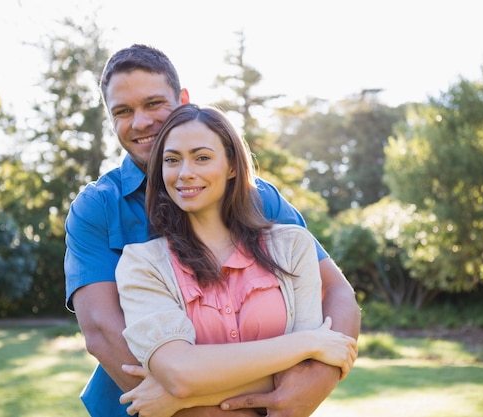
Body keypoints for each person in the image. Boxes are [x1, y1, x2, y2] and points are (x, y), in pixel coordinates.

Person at [64, 44, 361, 417]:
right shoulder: (98, 208)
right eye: (123, 111)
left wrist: (312, 382)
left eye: (154, 103)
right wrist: (191, 404)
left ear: (183, 100)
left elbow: (335, 291)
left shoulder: (258, 197)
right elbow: (105, 333)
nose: (140, 122)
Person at [115, 104, 357, 417]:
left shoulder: (293, 247)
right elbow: (179, 373)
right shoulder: (142, 264)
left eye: (202, 157)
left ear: (231, 166)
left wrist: (182, 396)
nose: (185, 172)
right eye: (172, 160)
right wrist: (308, 343)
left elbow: (300, 376)